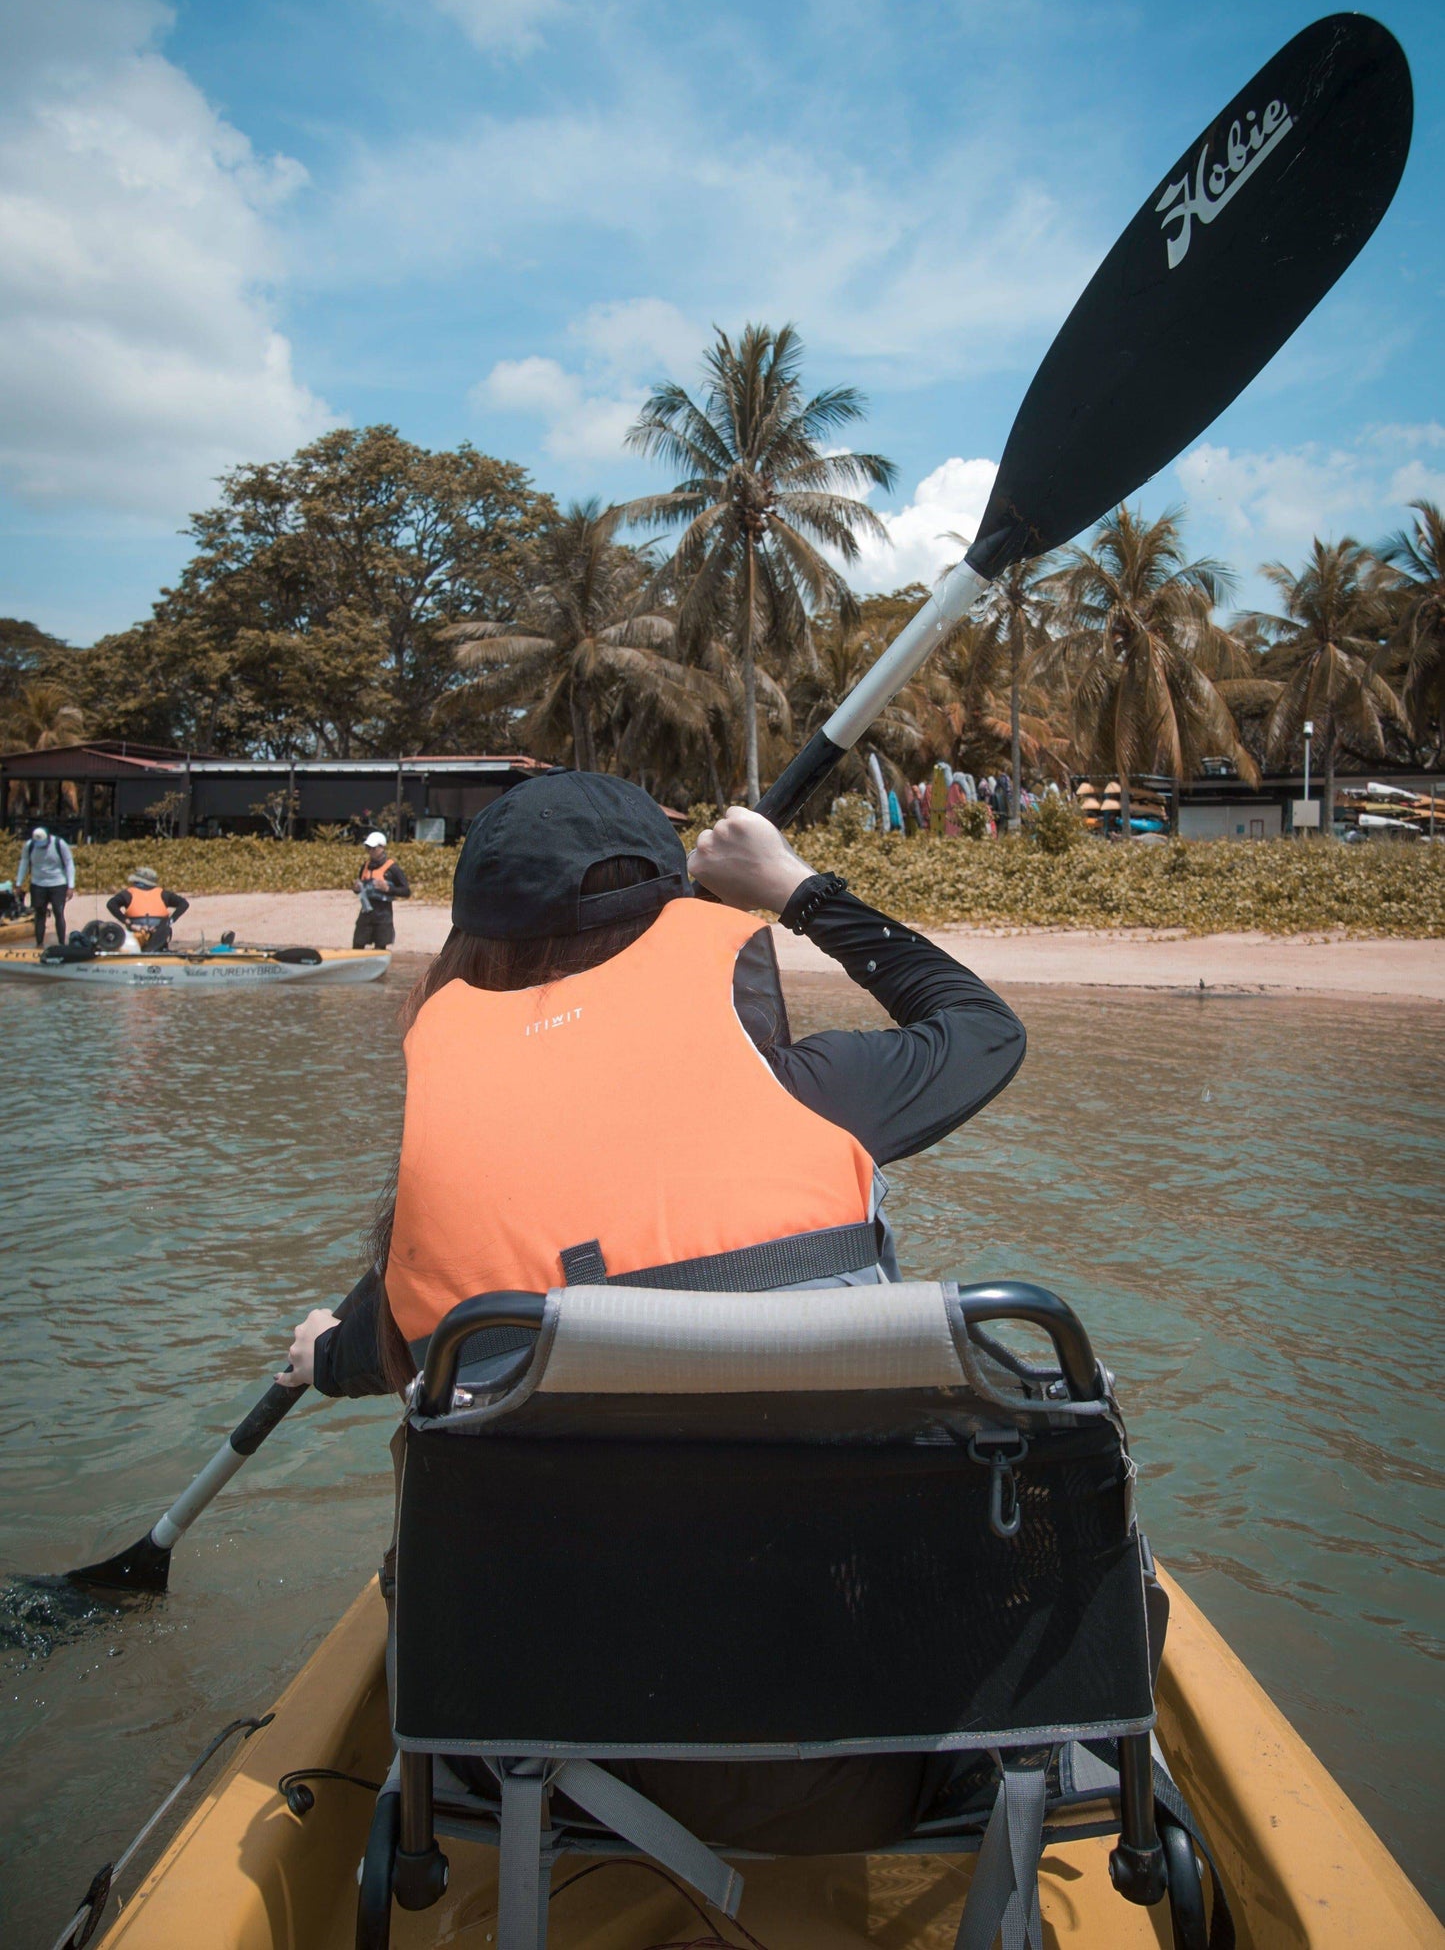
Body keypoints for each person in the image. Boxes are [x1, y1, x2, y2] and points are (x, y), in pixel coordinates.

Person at [278, 773, 1027, 1852]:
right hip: (877, 1751)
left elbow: (371, 1346)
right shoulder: (814, 1092)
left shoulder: (437, 1183)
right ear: (683, 915)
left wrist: (323, 1351)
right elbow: (980, 1029)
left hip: (545, 1764)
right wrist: (798, 888)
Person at [15, 823, 75, 947]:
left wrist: (71, 885)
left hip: (58, 883)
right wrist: (18, 883)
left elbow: (69, 863)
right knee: (39, 914)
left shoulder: (59, 844)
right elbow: (24, 862)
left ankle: (61, 943)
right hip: (38, 884)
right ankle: (39, 943)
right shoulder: (30, 845)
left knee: (58, 912)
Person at [107, 868, 189, 951]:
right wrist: (170, 921)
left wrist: (126, 921)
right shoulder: (163, 893)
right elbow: (184, 904)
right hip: (158, 933)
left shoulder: (128, 893)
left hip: (136, 932)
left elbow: (111, 904)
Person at [353, 830, 410, 949]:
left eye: (373, 848)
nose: (370, 851)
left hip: (383, 914)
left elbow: (406, 891)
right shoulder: (365, 866)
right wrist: (356, 889)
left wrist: (388, 888)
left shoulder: (393, 868)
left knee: (380, 947)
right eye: (367, 848)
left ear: (382, 848)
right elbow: (360, 888)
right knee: (358, 944)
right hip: (365, 912)